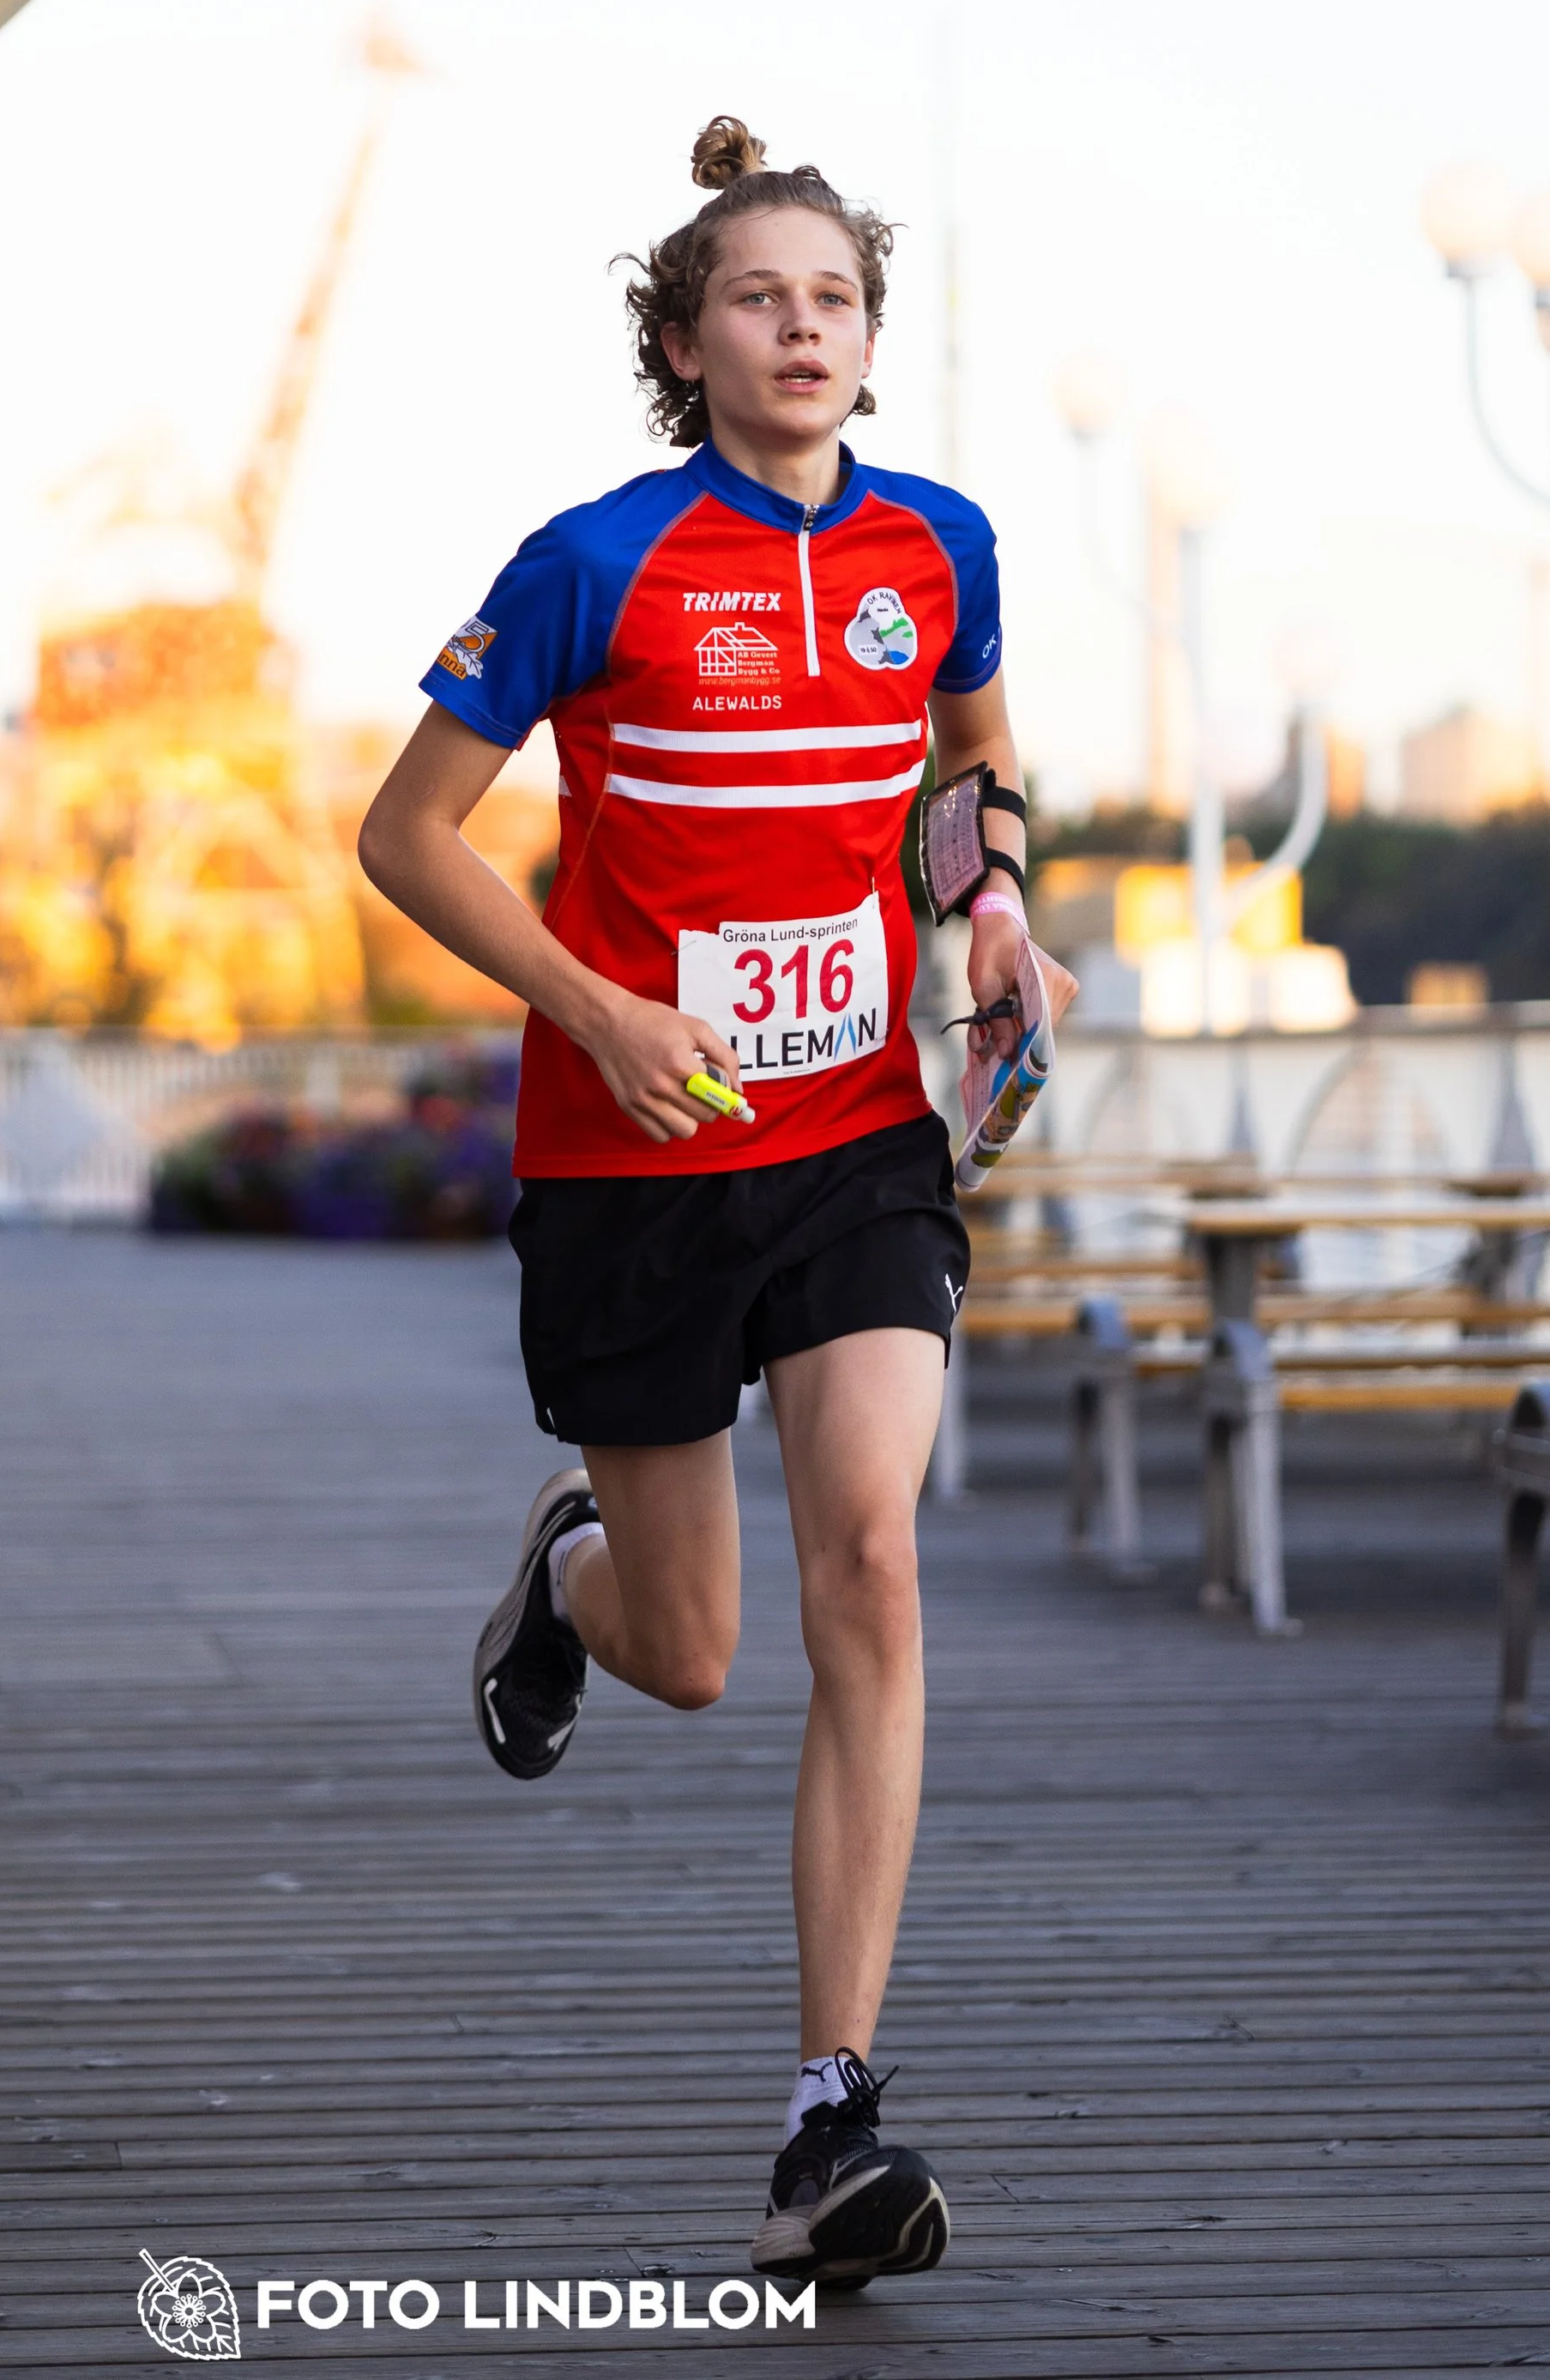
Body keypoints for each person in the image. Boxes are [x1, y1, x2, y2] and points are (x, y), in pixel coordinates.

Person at [358, 117, 1074, 2289]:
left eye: (831, 299)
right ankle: (571, 1576)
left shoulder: (935, 542)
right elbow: (405, 836)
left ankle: (825, 2114)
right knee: (690, 1652)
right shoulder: (591, 559)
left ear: (868, 342)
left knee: (870, 1555)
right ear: (683, 340)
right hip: (634, 1156)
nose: (798, 328)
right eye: (755, 298)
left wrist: (995, 914)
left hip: (856, 1136)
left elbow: (964, 770)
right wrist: (585, 1004)